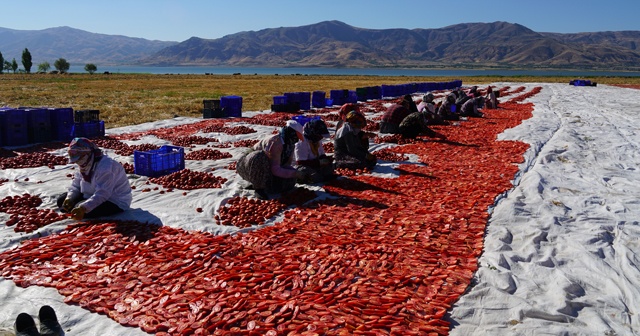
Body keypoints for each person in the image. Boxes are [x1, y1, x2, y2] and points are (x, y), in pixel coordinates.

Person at [57, 137, 132, 220]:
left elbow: (103, 194)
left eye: (79, 158)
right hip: (91, 194)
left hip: (113, 200)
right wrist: (70, 197)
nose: (77, 162)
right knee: (61, 200)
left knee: (80, 208)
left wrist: (83, 208)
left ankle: (83, 207)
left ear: (88, 154)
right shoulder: (84, 164)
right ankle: (80, 205)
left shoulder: (106, 167)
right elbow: (76, 185)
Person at [236, 120, 308, 199]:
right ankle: (259, 189)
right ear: (290, 133)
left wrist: (296, 173)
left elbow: (286, 165)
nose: (296, 140)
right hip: (248, 166)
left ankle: (262, 184)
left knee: (290, 182)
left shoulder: (290, 145)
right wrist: (295, 173)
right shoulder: (275, 142)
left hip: (268, 168)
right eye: (296, 137)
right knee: (259, 156)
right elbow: (275, 169)